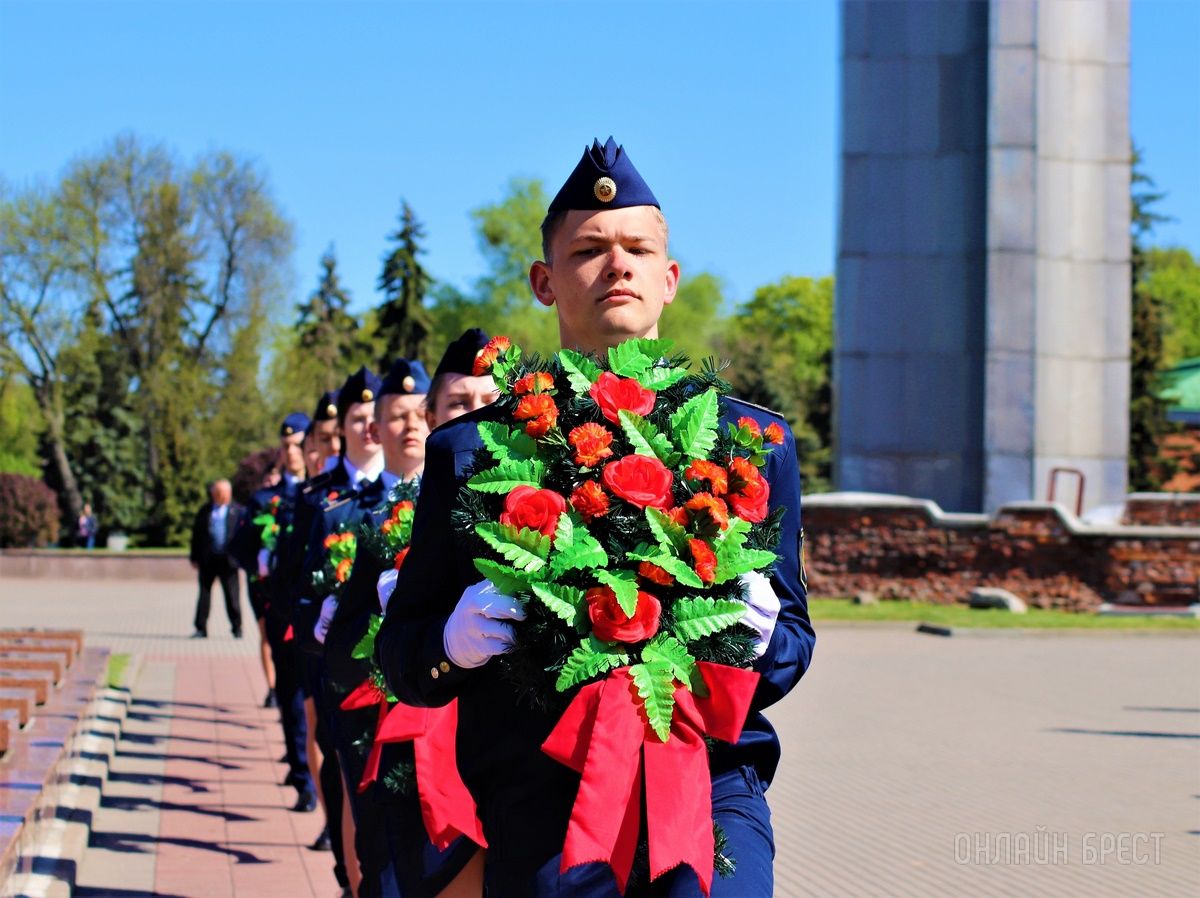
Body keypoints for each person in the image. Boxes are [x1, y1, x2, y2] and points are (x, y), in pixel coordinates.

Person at [378, 138, 815, 896]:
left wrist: (764, 638)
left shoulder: (752, 445)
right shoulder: (472, 453)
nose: (618, 265)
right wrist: (453, 640)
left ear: (669, 279)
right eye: (590, 249)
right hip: (544, 804)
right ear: (545, 281)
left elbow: (795, 646)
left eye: (638, 249)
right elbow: (403, 657)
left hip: (709, 785)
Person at [189, 479, 245, 639]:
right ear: (213, 494)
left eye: (225, 493)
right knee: (204, 595)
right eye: (218, 493)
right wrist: (194, 557)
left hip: (229, 561)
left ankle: (237, 627)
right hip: (208, 559)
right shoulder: (205, 511)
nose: (222, 496)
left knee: (232, 595)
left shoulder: (237, 510)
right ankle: (201, 628)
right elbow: (196, 535)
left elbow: (243, 537)